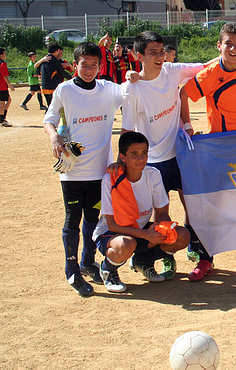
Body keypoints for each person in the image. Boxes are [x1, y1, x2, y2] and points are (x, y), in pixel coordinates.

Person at [179, 22, 236, 280]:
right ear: (219, 45)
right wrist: (187, 127)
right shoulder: (208, 76)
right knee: (212, 204)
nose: (233, 49)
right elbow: (182, 94)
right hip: (218, 148)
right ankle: (205, 258)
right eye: (228, 43)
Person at [121, 30, 208, 282]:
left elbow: (206, 66)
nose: (160, 57)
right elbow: (127, 130)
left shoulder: (172, 71)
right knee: (161, 212)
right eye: (152, 53)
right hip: (153, 160)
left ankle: (193, 244)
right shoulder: (132, 88)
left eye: (161, 51)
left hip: (179, 153)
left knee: (190, 202)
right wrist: (122, 162)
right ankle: (164, 256)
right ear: (139, 56)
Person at [42, 42, 124, 296]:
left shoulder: (109, 90)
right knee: (72, 219)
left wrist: (135, 77)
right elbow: (49, 119)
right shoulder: (64, 90)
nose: (88, 70)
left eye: (93, 65)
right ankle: (72, 270)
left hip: (100, 171)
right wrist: (54, 136)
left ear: (100, 66)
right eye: (83, 65)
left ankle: (88, 263)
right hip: (73, 170)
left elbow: (135, 93)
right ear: (74, 64)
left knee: (93, 219)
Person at [93, 131, 191, 292]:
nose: (141, 159)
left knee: (181, 236)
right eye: (134, 154)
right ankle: (108, 269)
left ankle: (143, 261)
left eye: (144, 153)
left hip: (141, 230)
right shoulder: (110, 179)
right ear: (122, 157)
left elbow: (161, 213)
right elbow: (112, 224)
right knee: (126, 244)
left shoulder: (153, 174)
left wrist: (163, 228)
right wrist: (146, 235)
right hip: (112, 232)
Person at [40, 42, 72, 107]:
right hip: (52, 87)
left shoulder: (44, 59)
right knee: (55, 107)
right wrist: (70, 77)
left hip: (44, 86)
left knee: (50, 107)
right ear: (56, 51)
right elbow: (61, 72)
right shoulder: (54, 60)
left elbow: (37, 68)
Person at [0, 48, 14, 127]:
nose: (5, 54)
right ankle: (2, 120)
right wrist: (9, 85)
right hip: (2, 86)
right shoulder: (2, 64)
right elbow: (5, 76)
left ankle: (2, 117)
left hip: (2, 86)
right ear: (1, 55)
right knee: (2, 103)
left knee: (8, 100)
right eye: (4, 53)